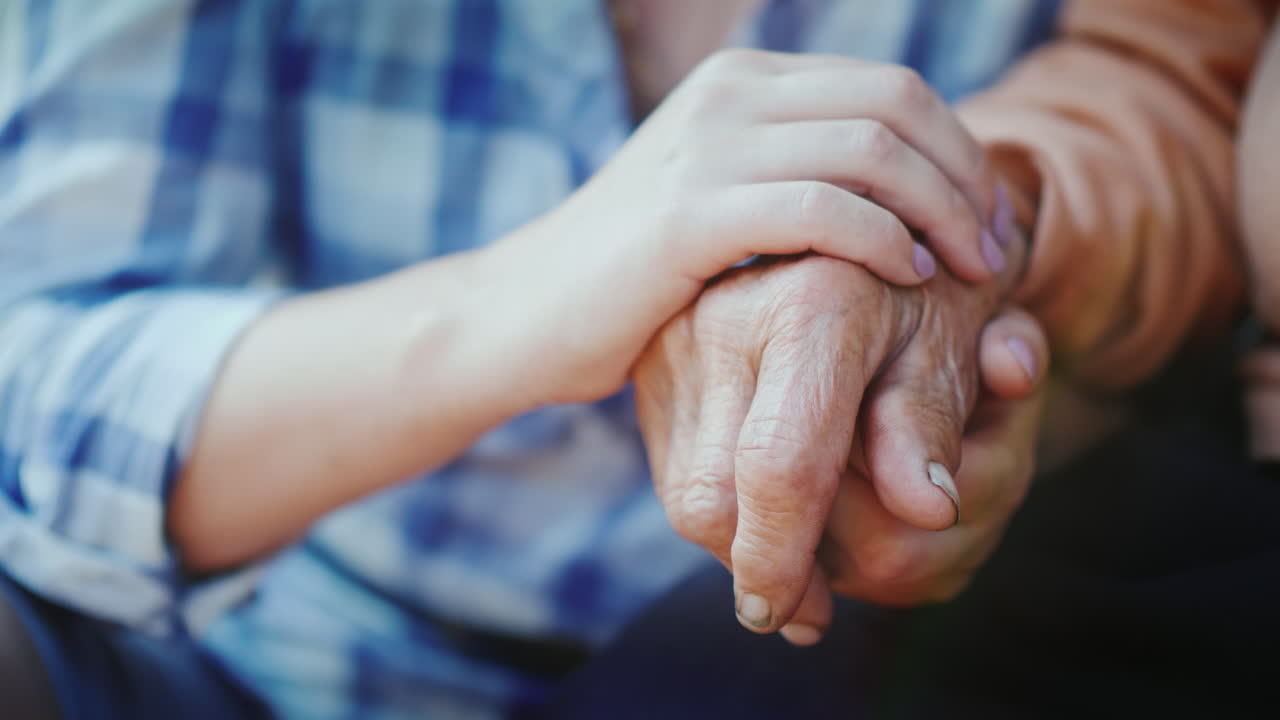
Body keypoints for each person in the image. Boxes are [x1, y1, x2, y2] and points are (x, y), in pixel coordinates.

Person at [0, 1, 1267, 718]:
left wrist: (934, 236)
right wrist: (531, 300)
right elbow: (39, 371)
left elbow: (1168, 88)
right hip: (243, 649)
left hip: (799, 655)